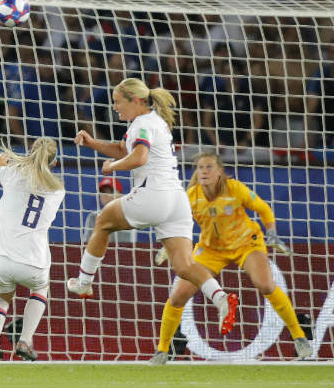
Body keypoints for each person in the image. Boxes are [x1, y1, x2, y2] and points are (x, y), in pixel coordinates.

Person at [66, 78, 238, 337]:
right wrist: (92, 143)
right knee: (184, 265)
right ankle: (220, 297)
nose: (114, 108)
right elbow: (123, 149)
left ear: (135, 100)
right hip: (176, 201)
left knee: (103, 222)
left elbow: (138, 157)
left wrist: (111, 167)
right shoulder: (154, 122)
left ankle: (84, 282)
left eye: (117, 102)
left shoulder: (143, 124)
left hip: (153, 194)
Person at [149, 152, 312, 364]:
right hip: (211, 249)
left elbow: (263, 208)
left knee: (265, 284)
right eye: (200, 167)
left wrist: (271, 232)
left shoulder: (235, 189)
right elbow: (174, 222)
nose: (204, 171)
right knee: (178, 294)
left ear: (219, 172)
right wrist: (168, 246)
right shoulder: (191, 196)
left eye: (209, 167)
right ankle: (162, 350)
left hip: (246, 243)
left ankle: (299, 337)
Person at [0, 137, 65, 367]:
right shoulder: (58, 190)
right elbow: (29, 210)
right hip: (32, 263)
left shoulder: (10, 173)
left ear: (30, 153)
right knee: (41, 288)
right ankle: (24, 340)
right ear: (54, 163)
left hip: (0, 261)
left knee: (1, 297)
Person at [83, 177, 136, 243]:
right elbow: (87, 243)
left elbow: (126, 246)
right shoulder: (93, 217)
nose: (106, 195)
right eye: (103, 192)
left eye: (111, 192)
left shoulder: (127, 216)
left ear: (120, 195)